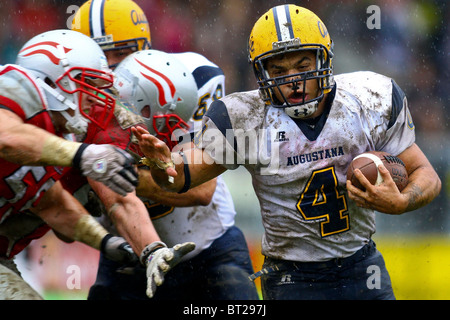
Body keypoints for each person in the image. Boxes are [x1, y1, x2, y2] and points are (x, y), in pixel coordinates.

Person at [132, 4, 442, 300]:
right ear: (261, 73)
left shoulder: (369, 99)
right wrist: (162, 165)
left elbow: (426, 175)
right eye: (279, 71)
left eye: (303, 66)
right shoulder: (245, 118)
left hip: (362, 266)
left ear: (324, 60)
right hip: (292, 278)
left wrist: (401, 201)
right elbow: (182, 177)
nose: (293, 81)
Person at [72, 0, 259, 300]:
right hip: (130, 256)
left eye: (120, 54)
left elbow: (201, 189)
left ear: (144, 46)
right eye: (97, 58)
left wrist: (105, 175)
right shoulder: (68, 104)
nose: (110, 69)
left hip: (207, 250)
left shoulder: (190, 79)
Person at [0, 29, 193, 300]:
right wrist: (82, 155)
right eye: (86, 83)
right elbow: (6, 138)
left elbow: (61, 205)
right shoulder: (12, 87)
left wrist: (146, 248)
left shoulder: (71, 130)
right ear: (50, 79)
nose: (94, 96)